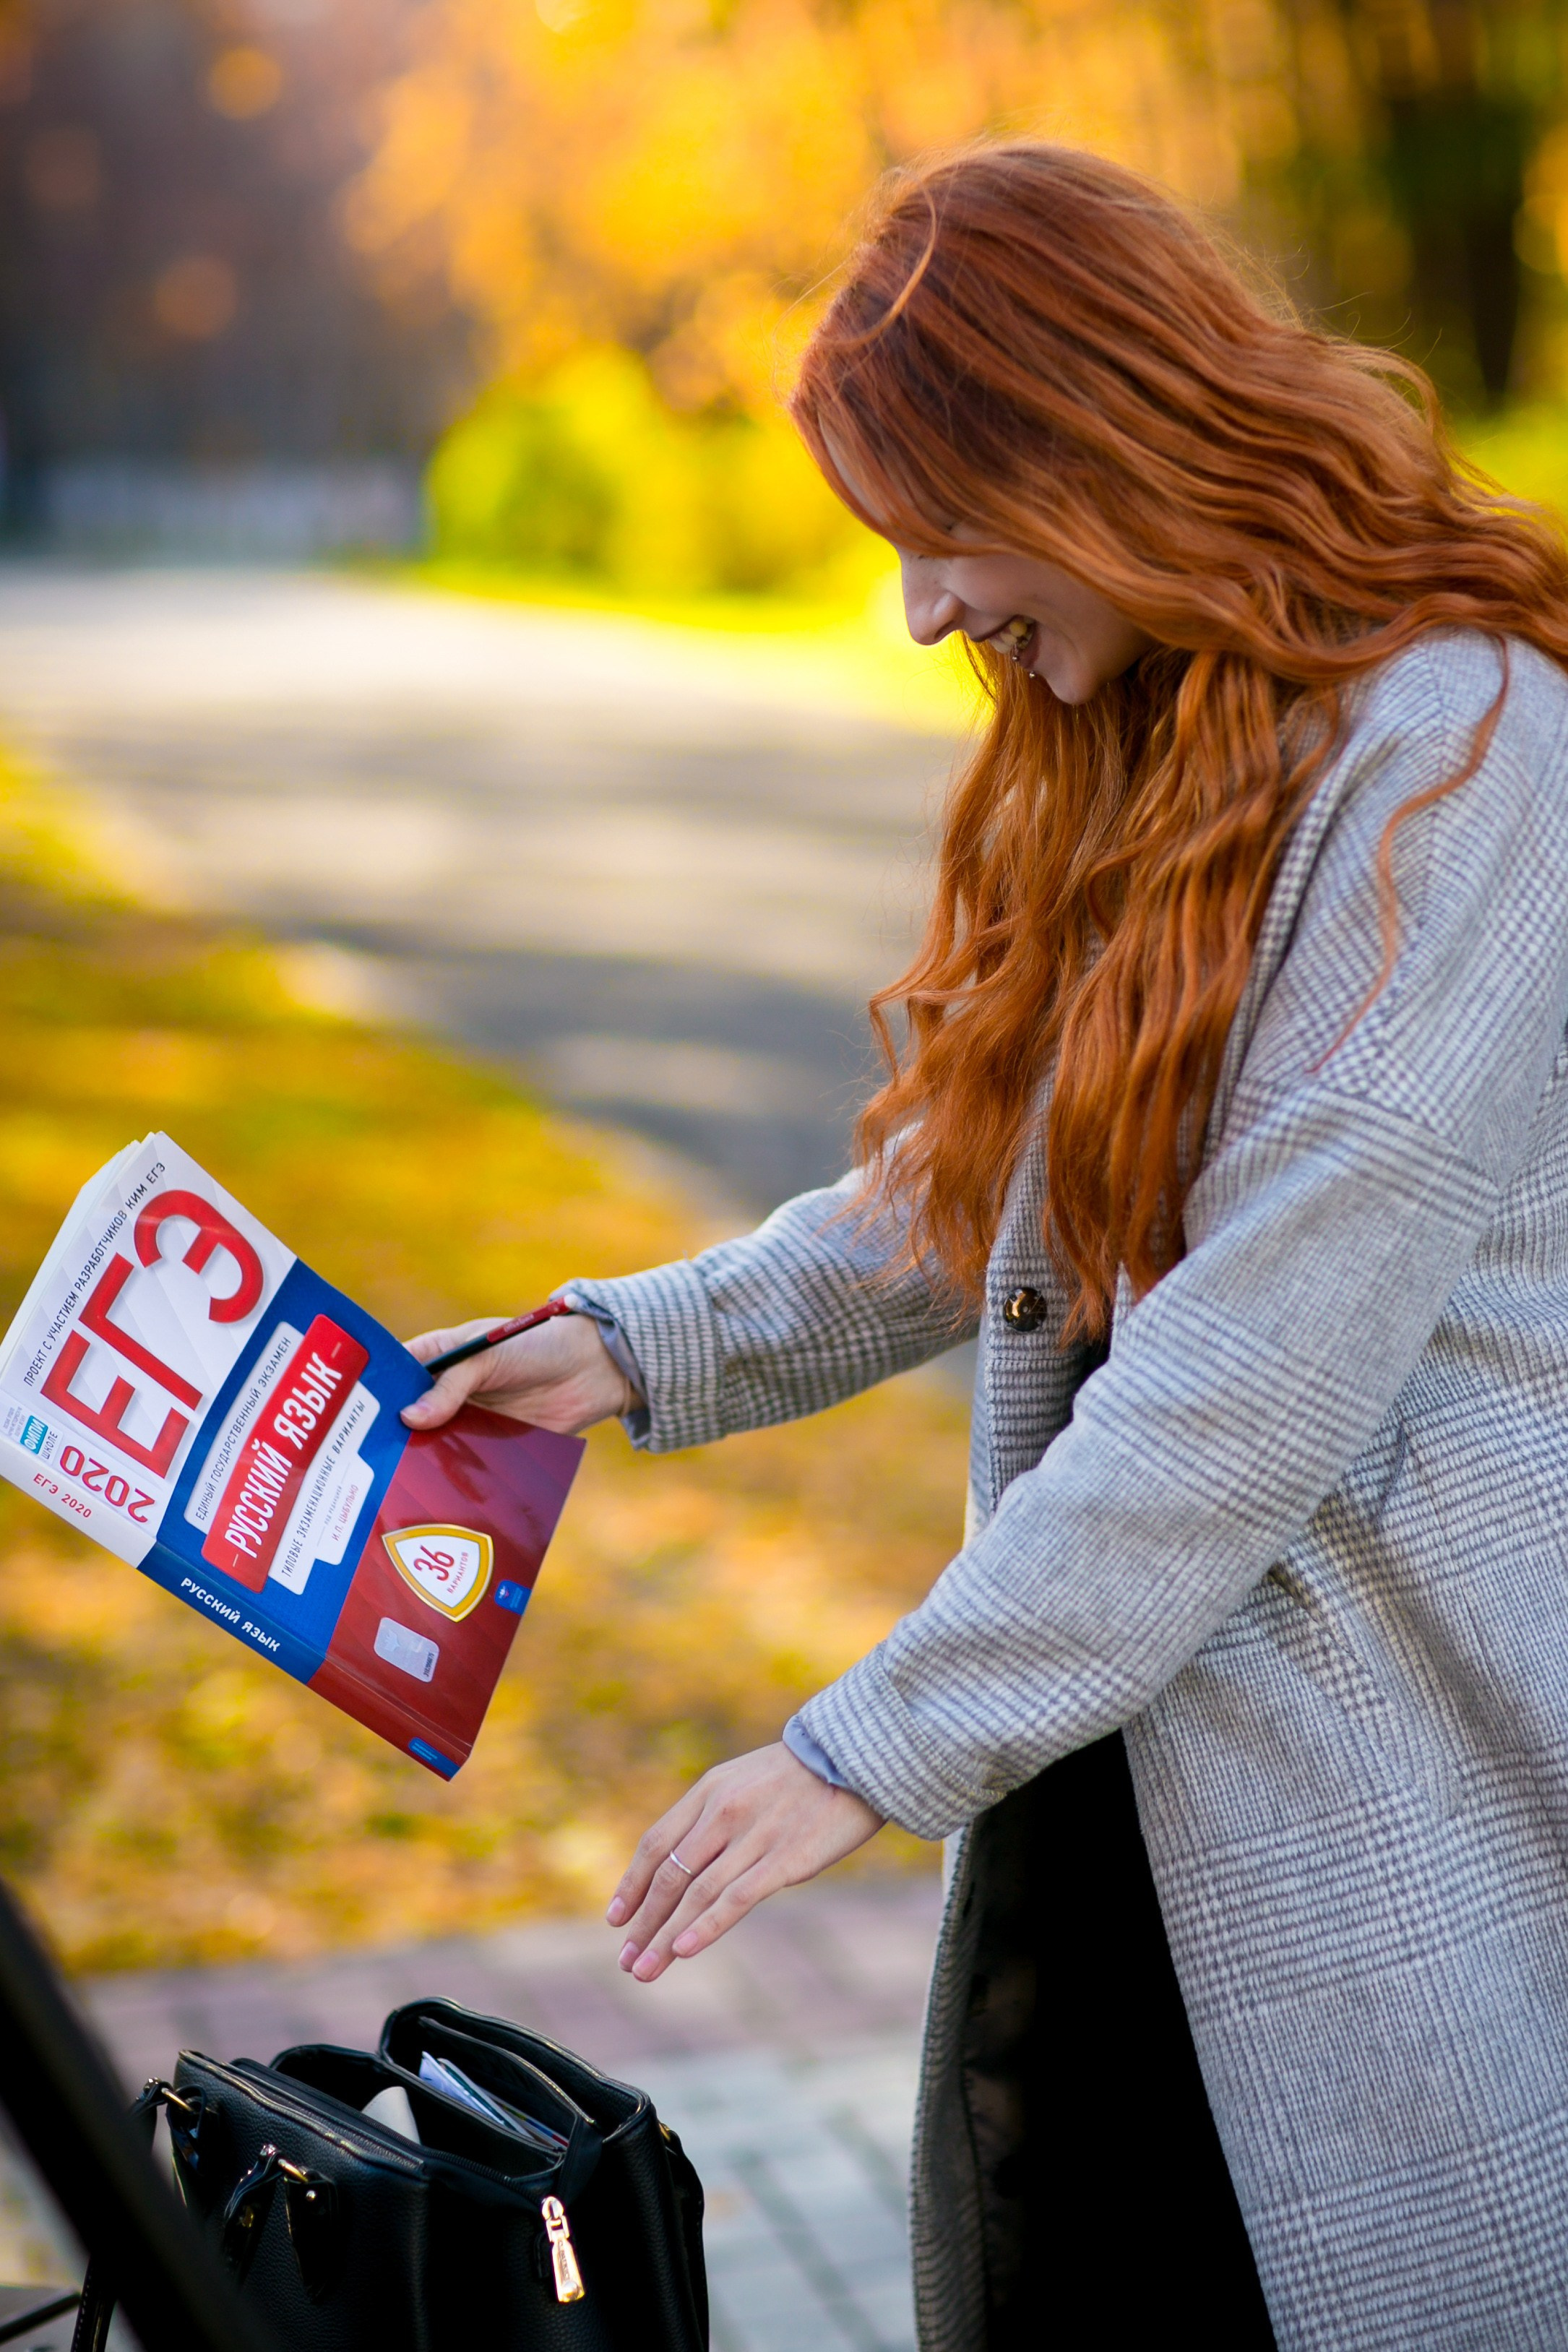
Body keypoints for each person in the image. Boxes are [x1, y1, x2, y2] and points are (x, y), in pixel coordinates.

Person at [402, 141, 1568, 2350]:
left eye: (941, 529)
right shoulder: (1178, 726)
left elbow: (1250, 1370)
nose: (925, 612)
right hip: (1113, 1759)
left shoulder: (1464, 754)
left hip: (1374, 1816)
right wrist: (628, 1346)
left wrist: (858, 1749)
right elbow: (990, 1171)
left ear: (1091, 445)